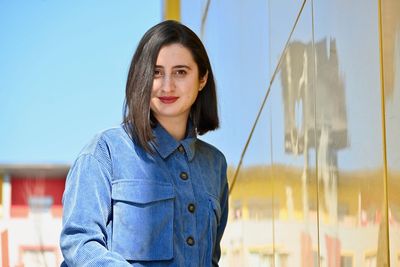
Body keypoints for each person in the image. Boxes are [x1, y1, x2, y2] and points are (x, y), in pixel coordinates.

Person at [60, 20, 229, 267]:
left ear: (202, 79)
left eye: (181, 72)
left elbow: (211, 258)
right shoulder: (105, 152)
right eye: (156, 73)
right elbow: (79, 243)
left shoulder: (215, 164)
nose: (167, 85)